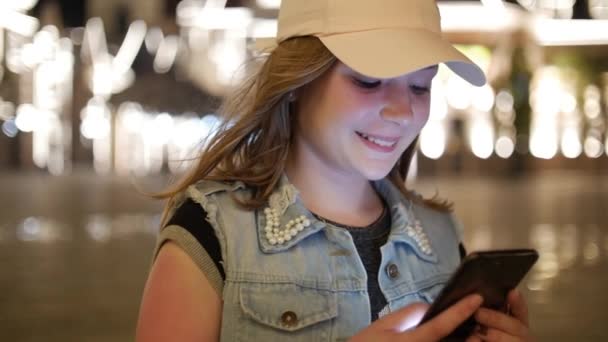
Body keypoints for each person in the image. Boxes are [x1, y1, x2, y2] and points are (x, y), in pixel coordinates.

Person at [136, 0, 533, 341]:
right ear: (295, 81)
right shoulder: (211, 233)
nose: (402, 111)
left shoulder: (441, 234)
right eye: (368, 80)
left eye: (420, 87)